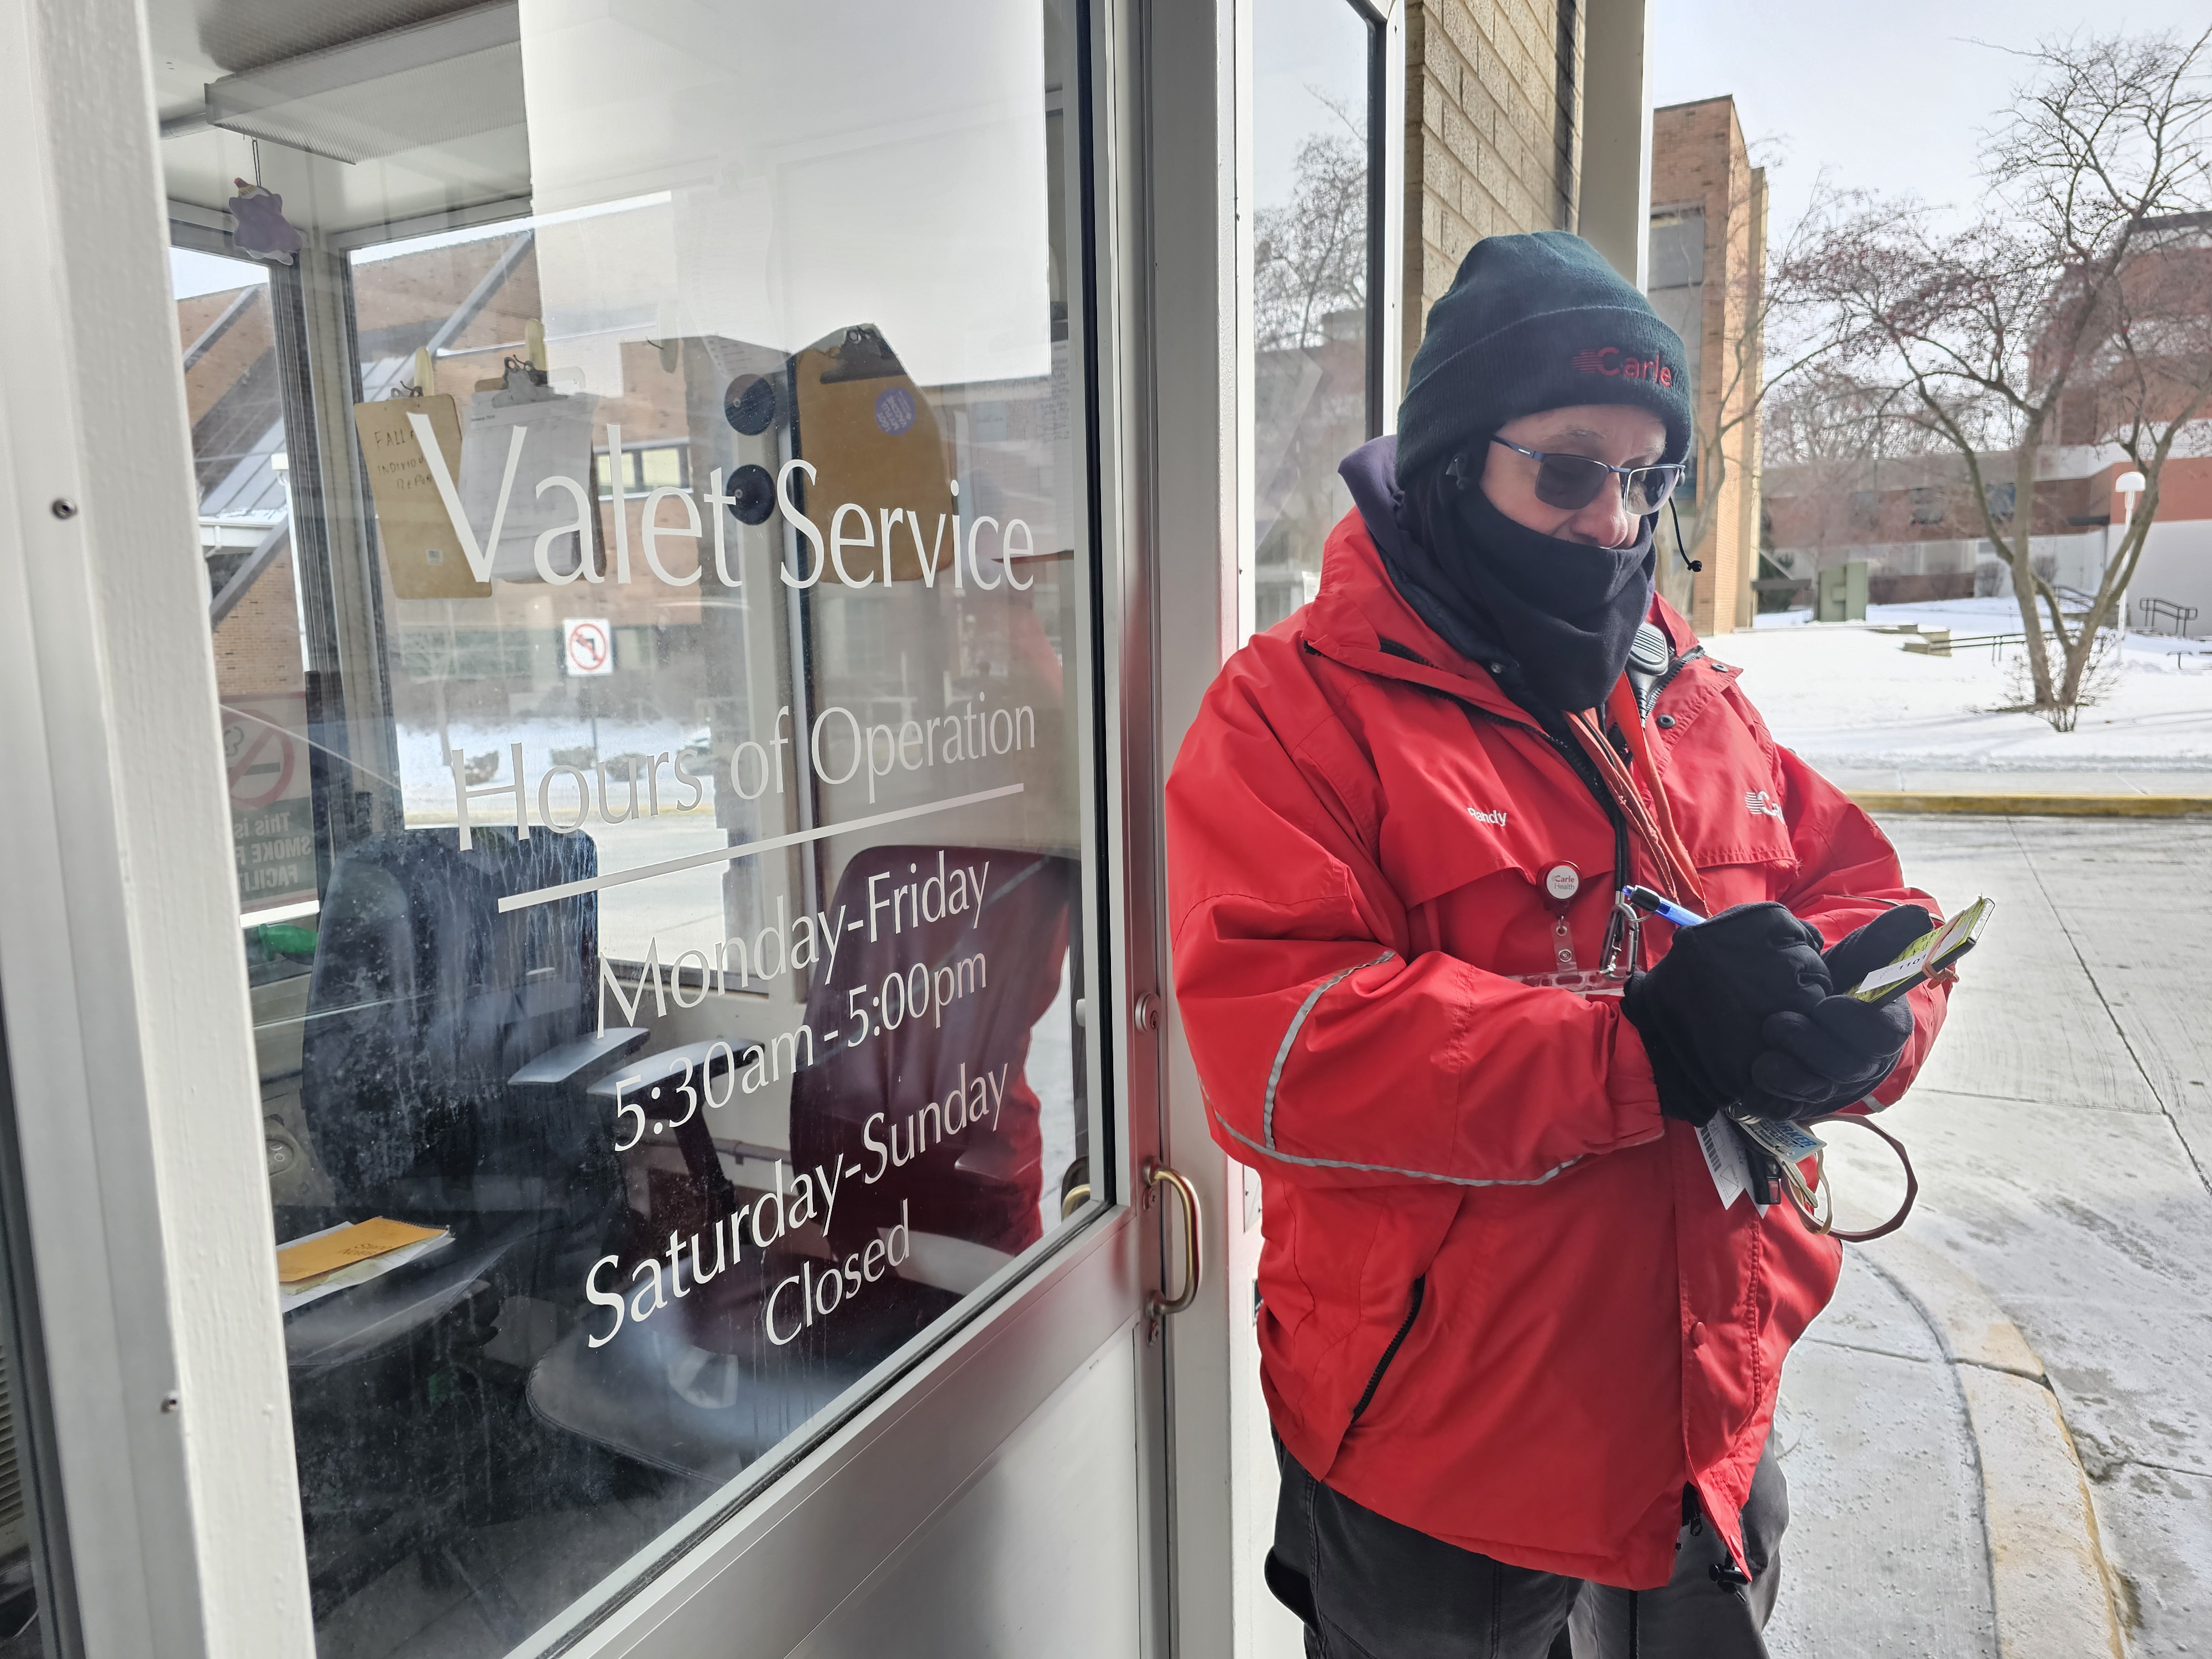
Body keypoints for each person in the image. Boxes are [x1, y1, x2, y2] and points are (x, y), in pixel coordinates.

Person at [1164, 232, 1952, 1657]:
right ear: (1455, 465)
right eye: (1570, 472)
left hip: (1704, 1406)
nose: (1613, 521)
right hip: (1445, 1449)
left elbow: (1862, 892)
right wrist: (1638, 1051)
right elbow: (1279, 1050)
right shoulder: (1294, 711)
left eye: (1648, 480)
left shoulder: (1680, 689)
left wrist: (1873, 1019)